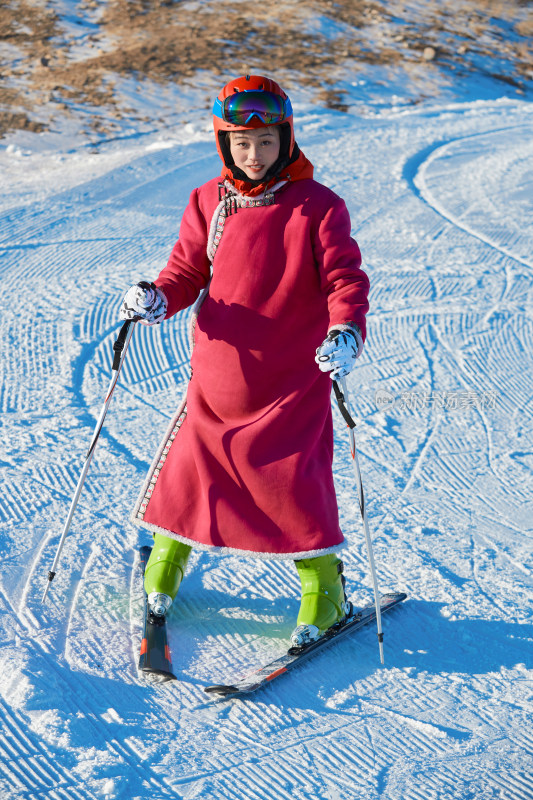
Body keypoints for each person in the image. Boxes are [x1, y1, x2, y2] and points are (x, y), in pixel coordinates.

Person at [120, 75, 369, 647]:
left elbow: (344, 279)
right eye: (240, 143)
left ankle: (325, 593)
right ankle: (162, 570)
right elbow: (186, 272)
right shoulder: (210, 200)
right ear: (223, 143)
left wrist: (346, 330)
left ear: (285, 139)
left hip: (290, 375)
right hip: (218, 372)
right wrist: (158, 298)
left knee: (293, 484)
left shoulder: (318, 206)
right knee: (194, 471)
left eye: (265, 143)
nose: (253, 155)